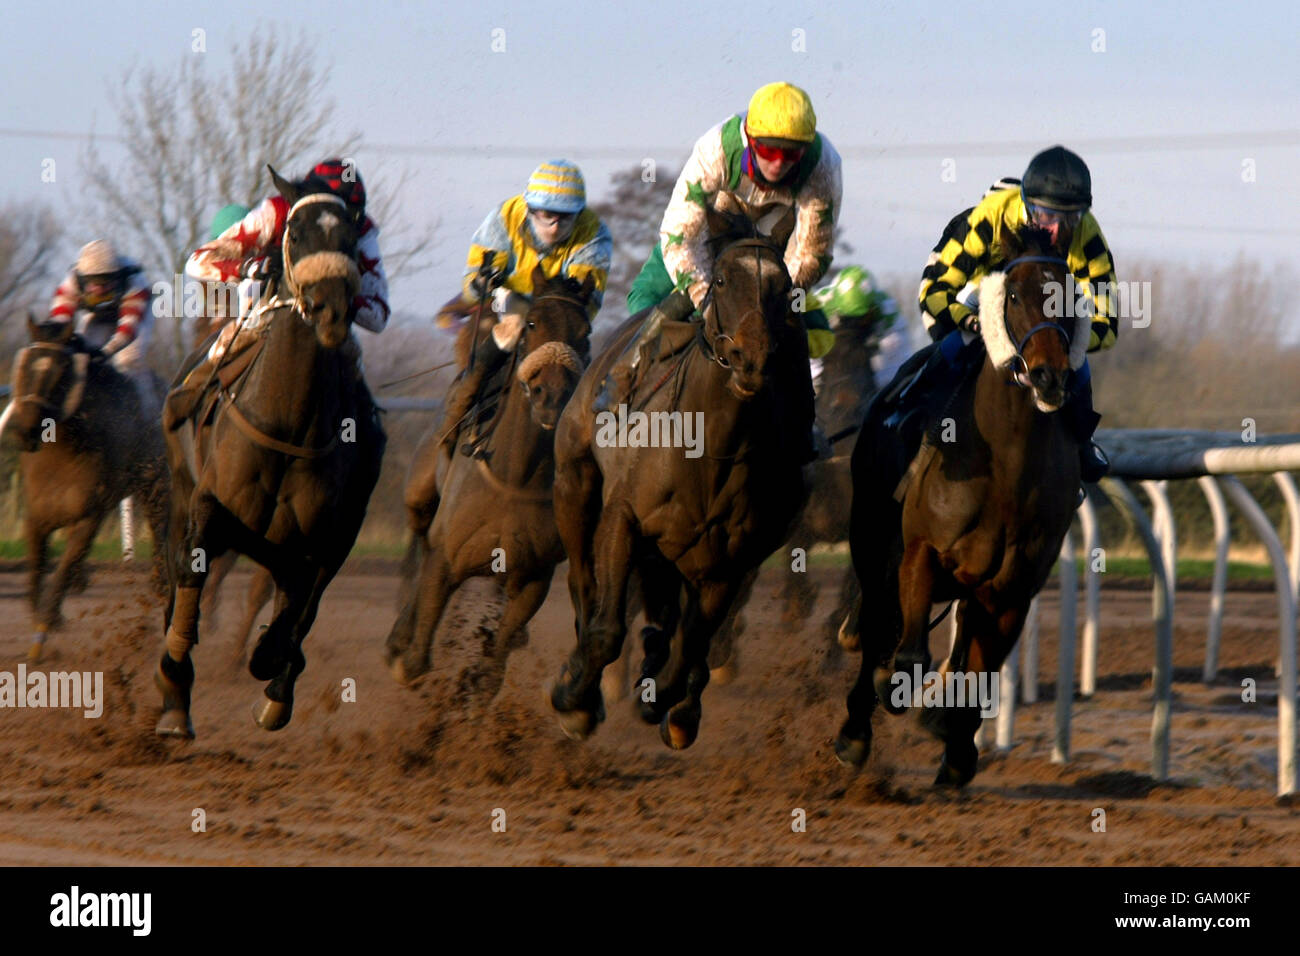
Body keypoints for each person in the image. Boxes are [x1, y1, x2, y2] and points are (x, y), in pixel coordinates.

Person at [592, 81, 843, 463]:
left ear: (806, 150)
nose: (779, 162)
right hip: (710, 229)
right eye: (768, 150)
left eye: (792, 153)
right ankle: (623, 379)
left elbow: (812, 254)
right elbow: (679, 237)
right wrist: (707, 299)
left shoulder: (823, 166)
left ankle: (803, 421)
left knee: (808, 326)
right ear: (749, 139)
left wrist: (768, 300)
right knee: (647, 296)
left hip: (772, 244)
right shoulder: (714, 150)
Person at [884, 146, 1117, 481]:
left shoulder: (1086, 234)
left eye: (1070, 219)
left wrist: (1067, 342)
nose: (1056, 230)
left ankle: (1082, 442)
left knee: (1075, 360)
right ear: (1026, 203)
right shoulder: (992, 215)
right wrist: (970, 321)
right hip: (975, 288)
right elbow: (936, 290)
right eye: (1047, 216)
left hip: (1036, 300)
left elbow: (1106, 321)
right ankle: (907, 411)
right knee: (958, 344)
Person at [166, 159, 389, 429]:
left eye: (348, 216)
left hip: (331, 321)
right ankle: (190, 401)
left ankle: (364, 441)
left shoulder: (363, 230)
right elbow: (198, 261)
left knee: (361, 398)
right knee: (225, 345)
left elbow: (378, 317)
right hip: (263, 311)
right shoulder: (276, 211)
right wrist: (248, 266)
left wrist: (341, 299)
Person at [436, 159, 611, 457]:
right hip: (509, 301)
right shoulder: (504, 217)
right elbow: (470, 286)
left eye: (565, 219)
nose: (555, 226)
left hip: (559, 315)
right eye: (547, 217)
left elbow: (586, 303)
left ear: (578, 215)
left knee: (582, 363)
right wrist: (482, 282)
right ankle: (454, 424)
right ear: (530, 209)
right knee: (498, 328)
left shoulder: (594, 232)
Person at [47, 239, 158, 419]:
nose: (100, 289)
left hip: (134, 317)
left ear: (118, 276)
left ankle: (150, 415)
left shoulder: (134, 282)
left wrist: (107, 351)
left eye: (106, 282)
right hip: (98, 316)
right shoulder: (70, 284)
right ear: (81, 279)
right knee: (82, 359)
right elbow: (59, 326)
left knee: (129, 360)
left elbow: (127, 331)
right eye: (93, 283)